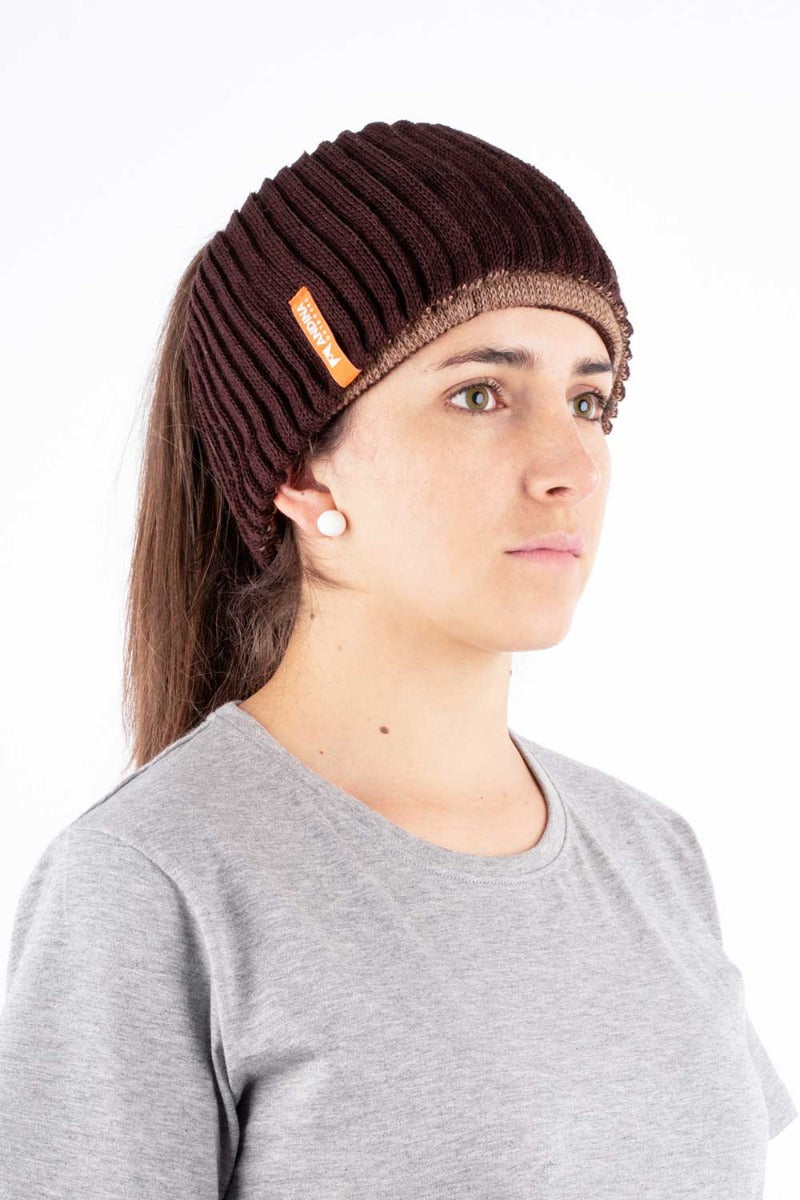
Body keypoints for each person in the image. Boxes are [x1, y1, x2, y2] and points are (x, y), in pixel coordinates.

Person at [0, 119, 795, 1199]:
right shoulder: (153, 883)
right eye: (479, 395)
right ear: (302, 471)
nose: (568, 463)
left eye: (588, 399)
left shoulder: (653, 854)